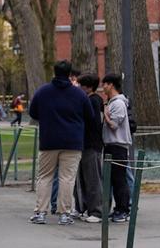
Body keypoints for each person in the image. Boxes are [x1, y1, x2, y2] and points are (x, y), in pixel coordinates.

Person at [28, 60, 93, 226]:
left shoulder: (43, 92)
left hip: (49, 139)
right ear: (70, 74)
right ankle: (64, 213)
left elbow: (33, 113)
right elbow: (90, 116)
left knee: (44, 176)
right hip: (72, 141)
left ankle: (40, 212)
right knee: (67, 178)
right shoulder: (79, 94)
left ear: (54, 72)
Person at [101, 72, 132, 222]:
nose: (103, 87)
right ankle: (118, 208)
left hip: (118, 146)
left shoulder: (118, 104)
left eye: (105, 84)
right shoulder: (112, 102)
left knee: (120, 179)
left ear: (111, 85)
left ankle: (124, 209)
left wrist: (105, 115)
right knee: (114, 179)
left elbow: (114, 125)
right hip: (110, 145)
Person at [76, 73, 104, 223]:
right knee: (86, 177)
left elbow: (92, 123)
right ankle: (86, 207)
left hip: (91, 144)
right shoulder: (93, 100)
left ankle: (97, 210)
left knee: (93, 178)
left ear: (88, 87)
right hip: (87, 143)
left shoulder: (93, 101)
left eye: (82, 86)